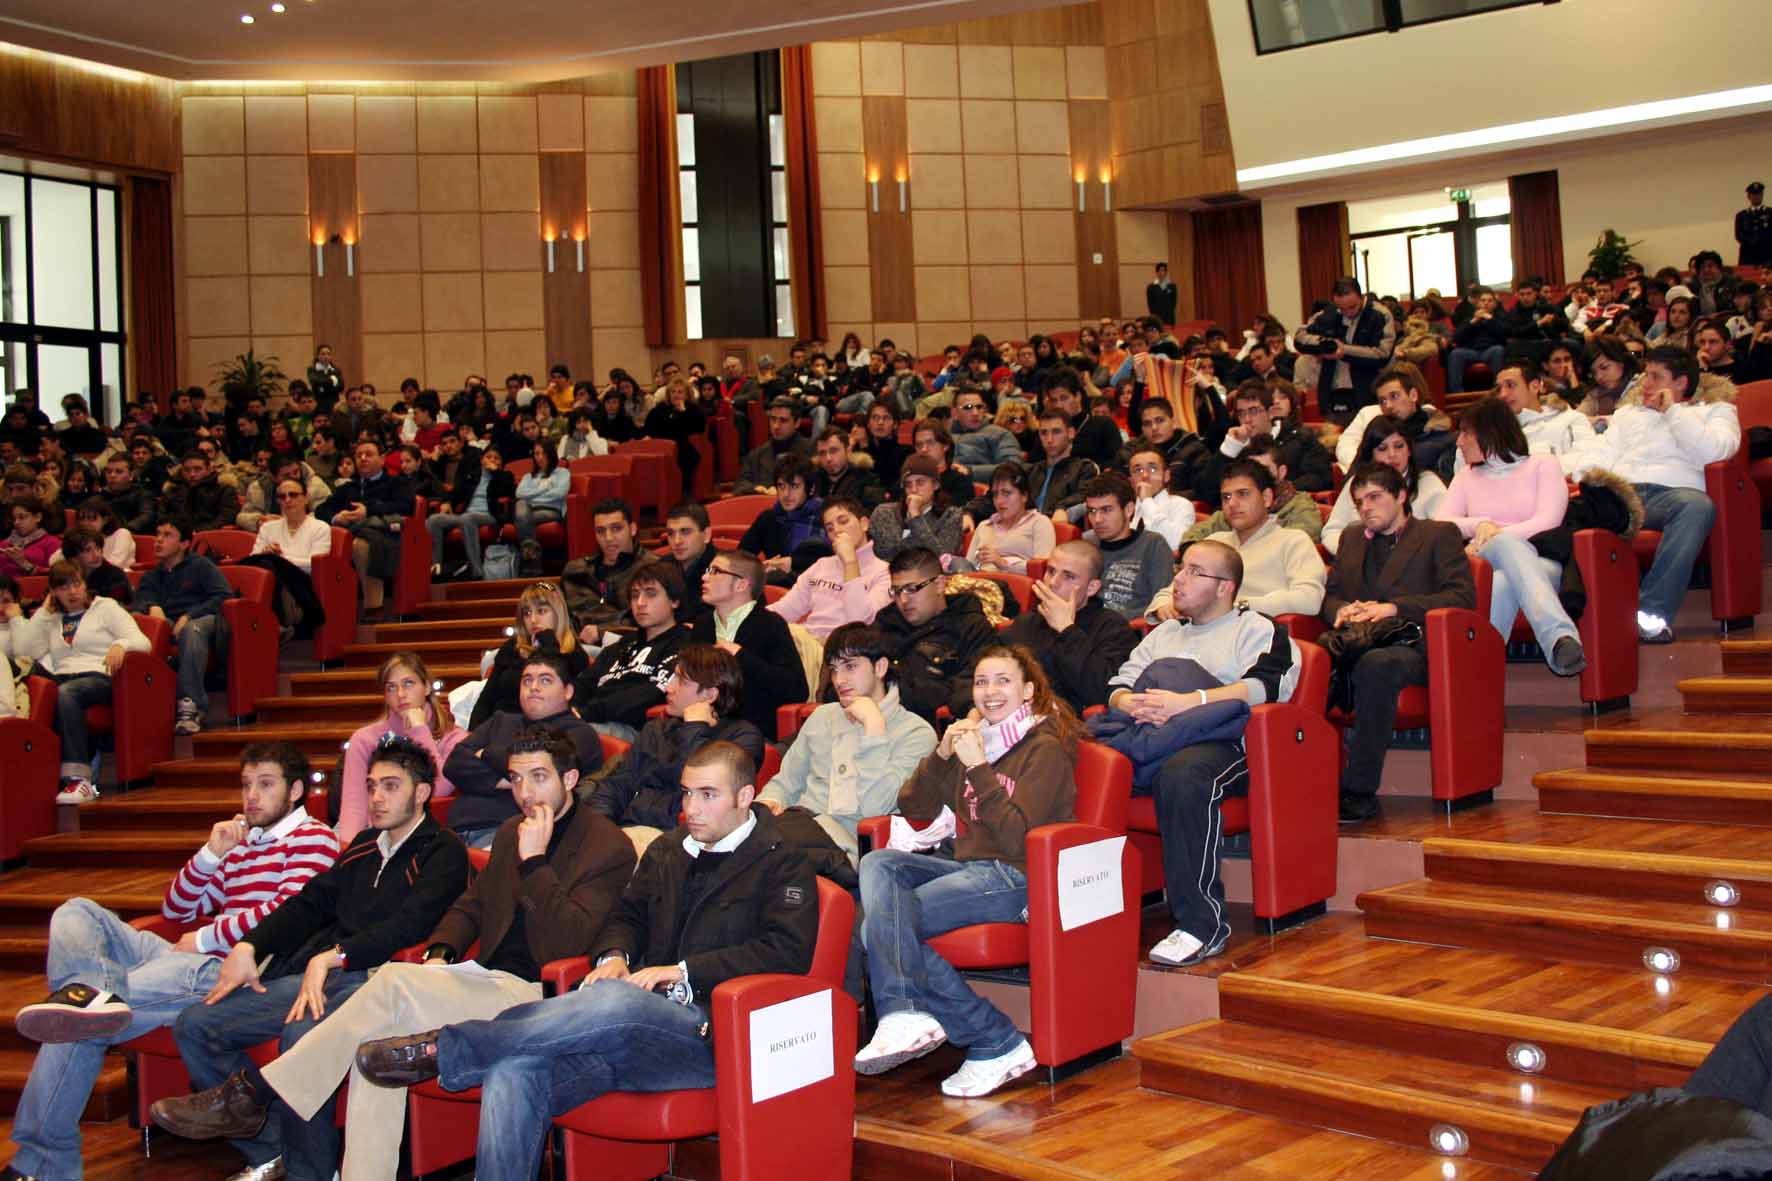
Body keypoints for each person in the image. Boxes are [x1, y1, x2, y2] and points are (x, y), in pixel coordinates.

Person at [149, 728, 634, 1181]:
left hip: (538, 997)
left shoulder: (606, 845)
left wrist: (536, 863)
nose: (525, 792)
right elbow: (473, 903)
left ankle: (256, 1094)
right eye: (516, 778)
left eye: (539, 777)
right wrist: (442, 951)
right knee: (373, 1054)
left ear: (570, 779)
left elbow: (567, 942)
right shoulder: (512, 831)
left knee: (392, 981)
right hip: (479, 979)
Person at [346, 741, 817, 1181]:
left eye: (708, 795)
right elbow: (625, 917)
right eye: (688, 793)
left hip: (708, 1034)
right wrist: (614, 955)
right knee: (513, 1071)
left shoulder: (781, 861)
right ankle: (470, 1053)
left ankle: (448, 1049)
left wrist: (683, 972)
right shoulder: (668, 850)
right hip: (627, 1036)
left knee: (616, 1001)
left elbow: (785, 952)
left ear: (745, 796)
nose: (690, 808)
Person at [4, 743, 338, 1181]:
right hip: (189, 959)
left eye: (265, 784)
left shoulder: (313, 838)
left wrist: (202, 940)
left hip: (228, 972)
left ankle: (42, 1166)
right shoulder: (241, 841)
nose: (251, 796)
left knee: (78, 1021)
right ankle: (91, 994)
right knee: (76, 911)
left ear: (295, 790)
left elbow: (285, 913)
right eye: (245, 785)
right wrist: (210, 854)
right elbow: (177, 906)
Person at [150, 736, 471, 1181]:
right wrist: (250, 946)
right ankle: (271, 1151)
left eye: (391, 786)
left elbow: (410, 927)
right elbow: (307, 904)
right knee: (196, 1025)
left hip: (382, 980)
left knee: (299, 1035)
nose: (376, 797)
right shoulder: (362, 844)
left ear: (421, 794)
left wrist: (333, 957)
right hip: (326, 973)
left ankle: (312, 1174)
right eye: (372, 785)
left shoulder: (443, 850)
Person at [852, 645, 1080, 1097]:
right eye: (981, 682)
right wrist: (942, 754)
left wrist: (978, 767)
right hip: (964, 867)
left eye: (1002, 681)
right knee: (879, 863)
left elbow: (1019, 839)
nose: (989, 692)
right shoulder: (975, 741)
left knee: (880, 926)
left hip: (1017, 877)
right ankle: (934, 1023)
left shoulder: (1044, 749)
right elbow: (914, 805)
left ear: (1027, 691)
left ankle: (987, 1035)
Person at [1106, 539, 1302, 966]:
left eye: (1195, 572)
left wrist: (1188, 702)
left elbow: (1266, 688)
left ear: (1224, 587)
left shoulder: (1258, 629)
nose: (1179, 579)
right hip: (1153, 734)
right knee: (1091, 763)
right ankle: (1088, 913)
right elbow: (1118, 686)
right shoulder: (1164, 633)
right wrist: (1132, 704)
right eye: (1181, 569)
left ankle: (1201, 926)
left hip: (1229, 743)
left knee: (1184, 774)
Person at [1323, 463, 1474, 823]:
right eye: (1359, 502)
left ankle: (1359, 790)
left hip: (1417, 645)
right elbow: (1330, 598)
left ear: (1402, 496)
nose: (1366, 509)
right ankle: (1308, 784)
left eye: (1374, 498)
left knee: (1377, 665)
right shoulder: (1351, 538)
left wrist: (1394, 608)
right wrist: (1345, 610)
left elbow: (1463, 597)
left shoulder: (1438, 535)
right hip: (1359, 641)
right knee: (1312, 656)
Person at [1566, 346, 1740, 643]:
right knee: (1561, 511)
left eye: (1656, 377)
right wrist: (1580, 474)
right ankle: (1570, 624)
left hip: (1671, 495)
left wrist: (1672, 412)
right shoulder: (1628, 413)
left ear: (1681, 383)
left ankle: (1650, 614)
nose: (1645, 384)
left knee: (1698, 507)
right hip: (1621, 493)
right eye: (1646, 375)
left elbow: (1713, 453)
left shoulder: (1715, 410)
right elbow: (1602, 450)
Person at [758, 622, 936, 861]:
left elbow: (875, 808)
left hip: (843, 845)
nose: (839, 680)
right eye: (833, 669)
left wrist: (874, 730)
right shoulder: (822, 716)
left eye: (850, 666)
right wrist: (769, 802)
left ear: (880, 667)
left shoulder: (916, 733)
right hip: (795, 825)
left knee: (758, 852)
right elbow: (786, 783)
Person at [1436, 398, 1586, 676]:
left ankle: (1478, 681)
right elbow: (1443, 524)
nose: (1459, 442)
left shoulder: (1543, 465)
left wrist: (1496, 534)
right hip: (1484, 559)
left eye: (1466, 432)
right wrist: (1481, 525)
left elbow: (1548, 521)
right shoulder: (1465, 477)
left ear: (1490, 432)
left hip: (1540, 560)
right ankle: (1559, 638)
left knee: (1503, 583)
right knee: (1502, 550)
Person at [586, 644, 766, 856]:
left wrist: (695, 728)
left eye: (681, 681)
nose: (668, 688)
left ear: (709, 695)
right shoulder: (657, 729)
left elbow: (699, 788)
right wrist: (599, 828)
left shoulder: (742, 738)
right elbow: (618, 784)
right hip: (627, 830)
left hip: (681, 842)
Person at [3, 559, 152, 804]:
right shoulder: (51, 617)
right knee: (21, 669)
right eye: (63, 587)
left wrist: (120, 645)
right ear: (53, 592)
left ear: (85, 584)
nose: (72, 592)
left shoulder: (106, 607)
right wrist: (43, 611)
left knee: (64, 694)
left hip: (99, 677)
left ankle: (77, 778)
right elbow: (26, 650)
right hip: (62, 677)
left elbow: (142, 641)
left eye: (76, 584)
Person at [448, 652, 603, 848]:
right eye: (527, 681)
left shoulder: (581, 734)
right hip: (455, 827)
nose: (534, 687)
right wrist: (509, 778)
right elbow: (454, 763)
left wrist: (486, 754)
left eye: (545, 680)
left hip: (517, 833)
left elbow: (553, 776)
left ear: (568, 691)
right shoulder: (501, 719)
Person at [1148, 460, 1324, 621]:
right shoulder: (1214, 543)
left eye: (1243, 494)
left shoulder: (1293, 541)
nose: (1232, 503)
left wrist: (1240, 607)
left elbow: (1309, 598)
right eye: (1226, 497)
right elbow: (1171, 589)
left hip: (1256, 635)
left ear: (1266, 498)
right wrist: (1163, 606)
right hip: (1197, 636)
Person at [338, 652, 467, 843]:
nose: (400, 694)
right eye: (391, 688)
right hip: (374, 838)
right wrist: (350, 854)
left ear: (427, 687)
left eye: (408, 683)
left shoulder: (455, 738)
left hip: (429, 841)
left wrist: (419, 730)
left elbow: (437, 788)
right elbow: (354, 805)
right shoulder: (364, 739)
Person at [1000, 540, 1139, 715]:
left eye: (1069, 576)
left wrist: (1066, 629)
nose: (1053, 582)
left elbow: (1101, 691)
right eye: (1050, 571)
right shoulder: (1026, 622)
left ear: (1091, 588)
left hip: (1063, 727)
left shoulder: (1112, 627)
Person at [690, 547, 808, 736]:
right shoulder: (702, 624)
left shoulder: (770, 624)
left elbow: (796, 689)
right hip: (703, 728)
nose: (705, 577)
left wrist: (740, 656)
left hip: (752, 732)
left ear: (741, 585)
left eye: (716, 571)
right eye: (707, 571)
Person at [133, 518, 234, 737]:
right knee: (141, 623)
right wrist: (152, 606)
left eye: (167, 535)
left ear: (185, 543)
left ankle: (191, 705)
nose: (158, 540)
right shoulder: (153, 574)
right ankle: (146, 704)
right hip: (169, 621)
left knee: (192, 630)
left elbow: (223, 595)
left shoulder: (201, 566)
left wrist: (189, 615)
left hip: (206, 619)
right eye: (158, 534)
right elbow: (140, 599)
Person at [875, 547, 998, 725]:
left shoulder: (970, 626)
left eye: (911, 589)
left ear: (939, 584)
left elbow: (973, 684)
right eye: (896, 591)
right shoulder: (887, 621)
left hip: (927, 726)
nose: (903, 600)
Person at [574, 559, 692, 740]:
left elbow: (654, 692)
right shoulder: (622, 645)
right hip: (591, 719)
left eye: (651, 594)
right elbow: (584, 684)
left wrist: (587, 714)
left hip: (635, 729)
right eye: (635, 595)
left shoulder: (684, 644)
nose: (640, 603)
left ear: (674, 600)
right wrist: (570, 709)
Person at [316, 439, 417, 618]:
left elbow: (406, 506)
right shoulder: (348, 487)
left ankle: (373, 607)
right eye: (359, 455)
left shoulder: (397, 482)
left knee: (360, 546)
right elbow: (320, 510)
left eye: (368, 454)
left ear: (382, 459)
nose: (363, 459)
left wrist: (368, 511)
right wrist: (336, 517)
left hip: (386, 533)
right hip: (351, 532)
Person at [1321, 415, 1448, 554]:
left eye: (1399, 446)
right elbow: (1331, 532)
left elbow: (1444, 535)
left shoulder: (1428, 482)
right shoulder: (1357, 484)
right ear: (1371, 455)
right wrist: (1357, 552)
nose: (1392, 454)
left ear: (1410, 450)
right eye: (1382, 448)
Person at [769, 497, 892, 636]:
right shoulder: (822, 565)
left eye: (843, 521)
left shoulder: (885, 572)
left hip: (843, 649)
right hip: (807, 640)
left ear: (864, 524)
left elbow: (860, 624)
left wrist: (850, 562)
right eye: (830, 528)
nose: (837, 530)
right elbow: (786, 609)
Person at [1203, 381, 1333, 498]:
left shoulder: (1301, 438)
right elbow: (1206, 491)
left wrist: (1274, 491)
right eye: (1241, 413)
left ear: (1271, 412)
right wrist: (1229, 448)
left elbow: (1320, 478)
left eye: (1253, 411)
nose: (1247, 419)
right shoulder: (1237, 444)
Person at [1082, 472, 1175, 620]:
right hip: (1083, 629)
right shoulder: (1086, 543)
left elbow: (1161, 605)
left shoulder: (1153, 545)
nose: (1097, 519)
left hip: (1128, 634)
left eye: (1106, 510)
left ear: (1129, 509)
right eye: (1092, 511)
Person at [1334, 363, 1455, 473]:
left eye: (1394, 396)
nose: (1388, 406)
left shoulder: (1441, 440)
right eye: (1383, 401)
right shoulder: (1374, 436)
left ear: (1413, 395)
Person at [1293, 276, 1396, 404]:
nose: (1347, 313)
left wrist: (1344, 351)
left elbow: (1382, 354)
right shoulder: (1329, 312)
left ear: (1361, 297)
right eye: (1341, 308)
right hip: (1332, 392)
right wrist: (1324, 344)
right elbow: (1300, 337)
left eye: (1352, 307)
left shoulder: (1380, 315)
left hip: (1369, 392)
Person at [426, 444, 514, 581]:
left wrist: (496, 473)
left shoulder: (505, 476)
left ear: (501, 462)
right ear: (481, 459)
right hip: (467, 516)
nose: (492, 460)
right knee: (434, 520)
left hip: (490, 517)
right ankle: (436, 567)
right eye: (488, 457)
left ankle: (476, 570)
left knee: (468, 518)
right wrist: (447, 502)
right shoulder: (472, 475)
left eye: (496, 458)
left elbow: (508, 491)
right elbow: (456, 492)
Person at [738, 453, 827, 583]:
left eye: (794, 486)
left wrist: (791, 563)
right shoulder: (769, 518)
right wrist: (760, 569)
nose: (786, 494)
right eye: (781, 486)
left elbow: (833, 560)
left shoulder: (825, 518)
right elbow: (740, 558)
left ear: (811, 489)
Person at [564, 498, 640, 648]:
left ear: (632, 529)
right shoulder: (575, 571)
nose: (608, 538)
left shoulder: (653, 568)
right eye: (600, 531)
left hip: (629, 647)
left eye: (616, 528)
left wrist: (602, 632)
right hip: (578, 649)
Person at [870, 454, 964, 562]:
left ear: (935, 485)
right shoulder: (885, 513)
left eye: (920, 483)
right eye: (908, 485)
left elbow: (943, 560)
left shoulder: (951, 515)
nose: (913, 490)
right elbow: (886, 555)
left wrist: (915, 517)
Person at [965, 461, 1056, 573]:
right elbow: (967, 569)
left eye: (1006, 493)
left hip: (1018, 588)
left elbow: (1043, 568)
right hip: (982, 585)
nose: (999, 501)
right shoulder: (984, 526)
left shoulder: (1039, 523)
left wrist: (1003, 564)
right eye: (995, 494)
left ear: (1024, 496)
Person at [734, 397, 813, 495]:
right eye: (773, 419)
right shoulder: (757, 454)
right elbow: (740, 485)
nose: (776, 426)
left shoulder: (811, 451)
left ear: (797, 423)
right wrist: (755, 489)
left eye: (783, 421)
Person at [642, 376, 707, 491]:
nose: (676, 395)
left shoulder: (693, 409)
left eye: (680, 392)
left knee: (685, 456)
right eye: (673, 391)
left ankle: (683, 493)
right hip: (659, 446)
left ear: (687, 395)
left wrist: (683, 412)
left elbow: (699, 428)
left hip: (680, 446)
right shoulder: (660, 409)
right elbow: (649, 428)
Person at [1126, 446, 1196, 550]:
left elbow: (1176, 543)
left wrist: (1147, 501)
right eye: (1138, 470)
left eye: (1153, 469)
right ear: (1131, 480)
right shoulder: (1126, 509)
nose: (1145, 475)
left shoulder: (1181, 505)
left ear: (1166, 475)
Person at [1445, 286, 1511, 393]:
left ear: (1494, 304)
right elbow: (1457, 339)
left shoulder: (1500, 318)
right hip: (1471, 352)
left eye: (1490, 301)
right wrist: (1474, 321)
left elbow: (1504, 335)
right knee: (1456, 353)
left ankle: (1498, 389)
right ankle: (1457, 393)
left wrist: (1490, 319)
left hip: (1490, 350)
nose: (1486, 303)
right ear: (1477, 304)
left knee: (1498, 350)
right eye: (1483, 300)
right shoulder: (1469, 319)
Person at [159, 449, 242, 534]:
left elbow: (227, 516)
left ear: (209, 469)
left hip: (209, 537)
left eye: (198, 469)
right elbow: (162, 516)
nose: (192, 474)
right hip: (177, 538)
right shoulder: (174, 489)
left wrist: (199, 531)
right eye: (187, 470)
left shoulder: (223, 489)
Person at [948, 391, 1022, 484]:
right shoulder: (944, 437)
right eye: (968, 407)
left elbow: (1012, 468)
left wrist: (970, 471)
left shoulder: (1000, 434)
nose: (975, 413)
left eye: (979, 407)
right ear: (954, 413)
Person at [660, 501, 716, 622]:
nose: (677, 541)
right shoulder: (662, 567)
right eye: (671, 533)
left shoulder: (722, 569)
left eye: (685, 532)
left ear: (706, 535)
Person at [809, 426, 886, 511]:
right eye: (822, 453)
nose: (828, 458)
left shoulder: (868, 481)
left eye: (833, 451)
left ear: (848, 451)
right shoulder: (811, 480)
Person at [0, 497, 59, 581]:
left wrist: (23, 563)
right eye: (14, 518)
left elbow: (56, 576)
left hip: (36, 590)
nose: (16, 522)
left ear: (38, 517)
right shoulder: (3, 544)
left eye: (22, 517)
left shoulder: (52, 543)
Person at [1737, 181, 1772, 268]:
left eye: (1759, 194)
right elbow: (1738, 235)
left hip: (1767, 254)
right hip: (1748, 255)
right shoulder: (1741, 215)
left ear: (1762, 195)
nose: (1756, 196)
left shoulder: (1770, 213)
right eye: (1754, 194)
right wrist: (1752, 242)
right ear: (1749, 196)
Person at [1146, 261, 1178, 325]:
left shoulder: (1172, 286)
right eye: (1160, 271)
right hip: (1156, 315)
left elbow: (1174, 302)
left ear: (1166, 272)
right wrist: (1154, 315)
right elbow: (1150, 303)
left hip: (1169, 316)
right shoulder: (1151, 287)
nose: (1162, 273)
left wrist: (1170, 311)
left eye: (1163, 270)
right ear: (1157, 272)